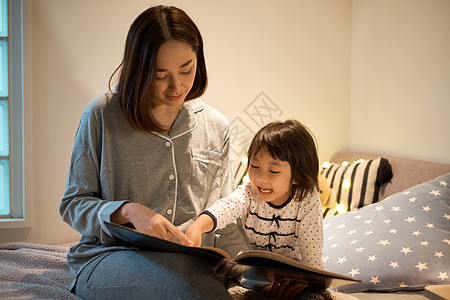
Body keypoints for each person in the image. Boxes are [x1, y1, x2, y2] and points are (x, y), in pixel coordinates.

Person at [59, 5, 249, 300]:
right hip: (109, 256)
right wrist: (128, 211)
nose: (177, 86)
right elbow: (73, 204)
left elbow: (225, 214)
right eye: (161, 75)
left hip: (193, 263)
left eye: (186, 69)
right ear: (139, 69)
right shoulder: (101, 115)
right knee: (193, 290)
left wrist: (252, 273)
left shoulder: (215, 125)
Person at [186, 120, 324, 297]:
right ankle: (265, 290)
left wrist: (315, 283)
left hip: (289, 270)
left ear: (297, 176)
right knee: (236, 271)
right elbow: (227, 207)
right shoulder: (249, 193)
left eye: (273, 171)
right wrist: (198, 226)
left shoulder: (307, 200)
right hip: (252, 269)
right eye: (255, 166)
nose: (260, 178)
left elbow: (312, 254)